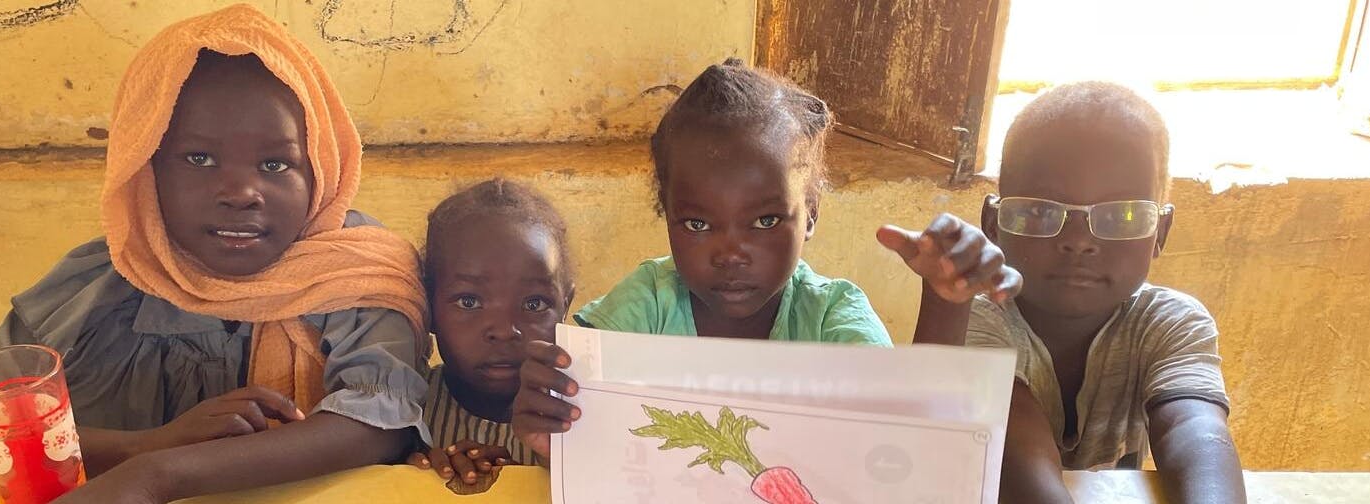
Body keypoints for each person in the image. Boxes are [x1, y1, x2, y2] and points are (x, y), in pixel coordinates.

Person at [0, 6, 432, 503]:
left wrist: (157, 475)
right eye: (198, 158)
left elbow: (378, 423)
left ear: (324, 169)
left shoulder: (356, 273)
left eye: (274, 164)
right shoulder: (103, 281)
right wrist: (136, 449)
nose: (240, 192)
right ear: (144, 170)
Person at [512, 58, 1023, 460]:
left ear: (812, 215)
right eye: (697, 224)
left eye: (764, 222)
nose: (731, 253)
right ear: (666, 216)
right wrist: (552, 430)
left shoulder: (831, 316)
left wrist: (945, 301)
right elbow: (572, 434)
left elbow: (909, 435)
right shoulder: (643, 307)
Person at [968, 82, 1244, 503]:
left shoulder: (1171, 323)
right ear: (994, 224)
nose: (1079, 241)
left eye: (1122, 214)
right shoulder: (979, 320)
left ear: (1160, 232)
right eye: (1042, 210)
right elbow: (1016, 457)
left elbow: (1195, 434)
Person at [407, 179, 573, 492]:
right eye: (469, 301)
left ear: (566, 307)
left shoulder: (576, 416)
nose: (504, 330)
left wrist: (535, 478)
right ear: (428, 307)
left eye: (534, 303)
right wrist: (411, 475)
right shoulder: (405, 410)